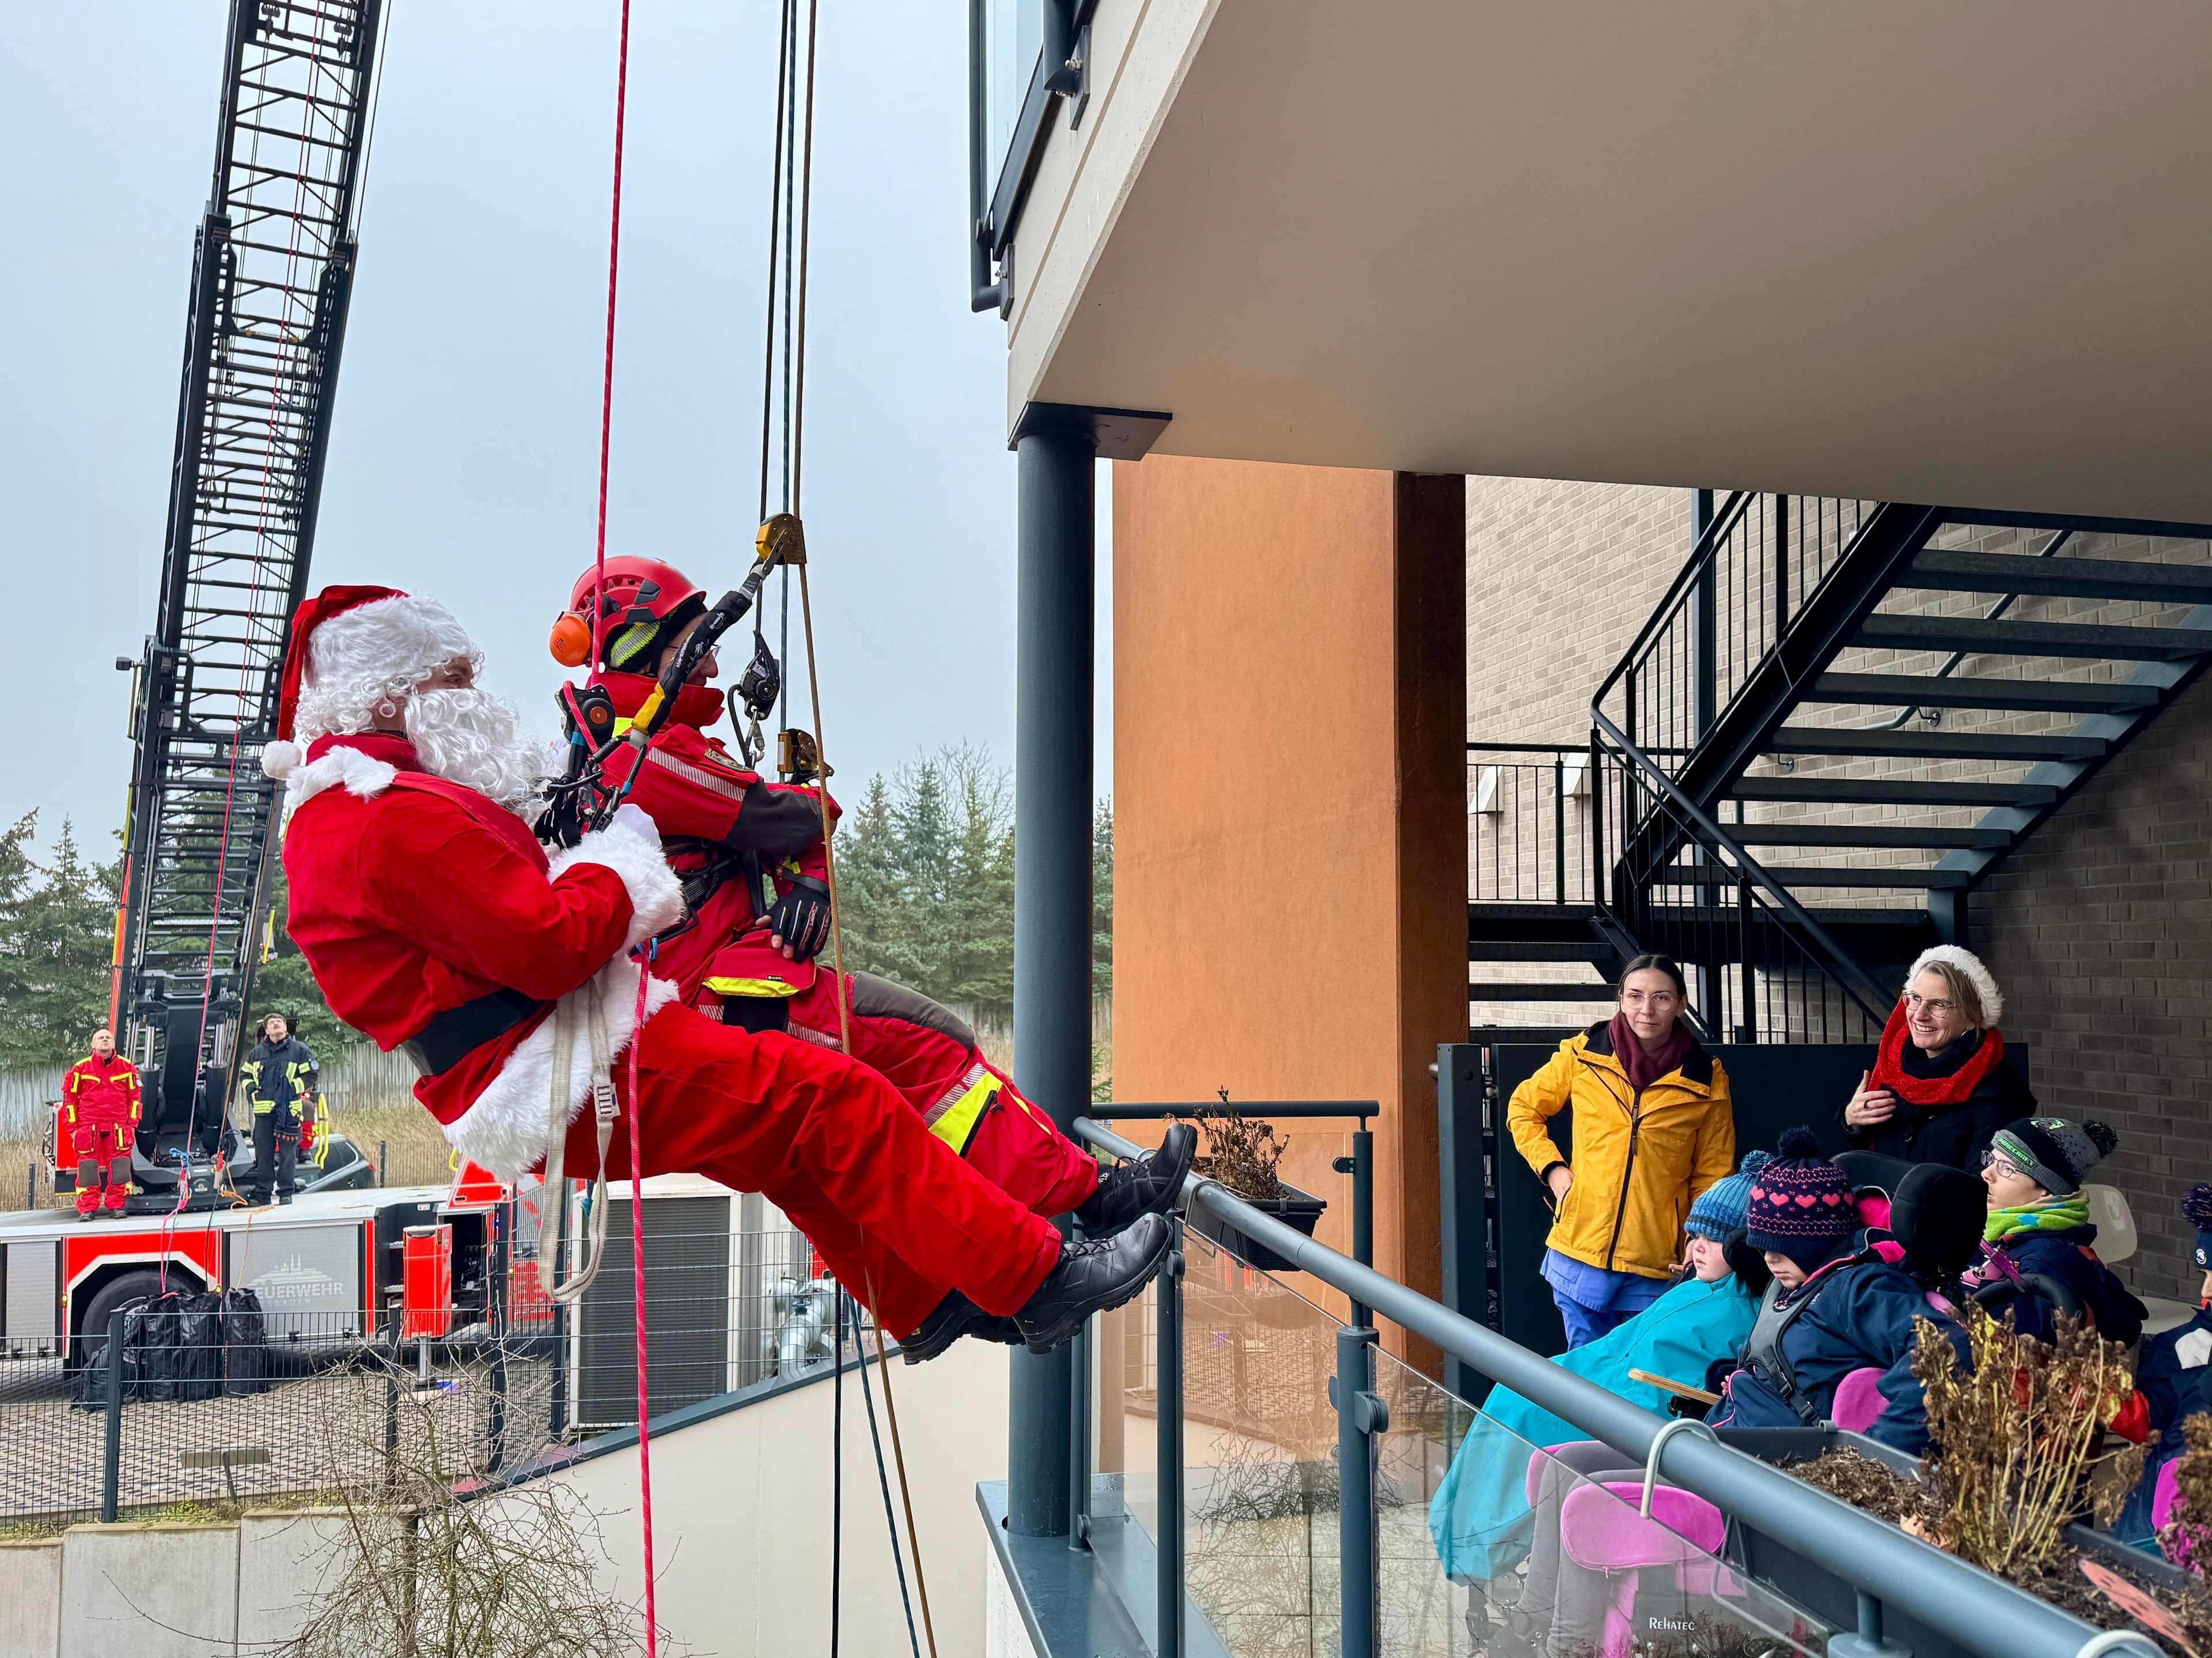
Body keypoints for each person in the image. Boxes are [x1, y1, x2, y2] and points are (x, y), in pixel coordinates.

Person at [262, 584, 1169, 1357]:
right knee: (852, 1091)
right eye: (454, 677)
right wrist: (618, 863)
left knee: (795, 1138)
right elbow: (554, 935)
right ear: (393, 693)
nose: (473, 693)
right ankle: (1040, 1271)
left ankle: (932, 1295)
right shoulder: (389, 814)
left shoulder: (392, 802)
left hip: (571, 1044)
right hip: (567, 1057)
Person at [543, 559, 1195, 1356]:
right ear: (647, 648)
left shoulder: (605, 756)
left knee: (804, 1161)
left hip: (698, 1000)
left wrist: (807, 879)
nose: (712, 662)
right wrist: (804, 840)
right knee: (927, 1045)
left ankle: (927, 1304)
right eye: (695, 643)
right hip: (721, 999)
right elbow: (787, 815)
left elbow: (779, 833)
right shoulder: (645, 757)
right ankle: (1090, 1198)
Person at [1429, 1152, 1771, 1589]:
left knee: (1528, 1422)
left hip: (1635, 1406)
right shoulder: (1697, 1287)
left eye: (1715, 1239)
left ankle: (1473, 1546)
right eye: (1695, 1235)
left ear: (1746, 1248)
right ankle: (1462, 1536)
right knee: (1513, 1395)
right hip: (1602, 1378)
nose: (1698, 1246)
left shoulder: (1744, 1314)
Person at [1506, 954, 1734, 1347]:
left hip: (1656, 1263)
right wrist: (1553, 1169)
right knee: (1583, 1371)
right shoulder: (1584, 1054)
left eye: (1661, 998)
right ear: (1621, 1000)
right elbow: (1524, 1109)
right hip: (1580, 1249)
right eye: (1635, 996)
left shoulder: (1706, 1077)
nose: (1647, 1009)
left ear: (1681, 1004)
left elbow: (1713, 1172)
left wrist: (1698, 1236)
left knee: (1641, 1372)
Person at [1710, 1129, 1972, 1454]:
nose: (1769, 1259)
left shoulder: (1856, 1289)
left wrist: (1878, 1453)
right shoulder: (1794, 1280)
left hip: (1778, 1469)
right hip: (1727, 1444)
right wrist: (1743, 1375)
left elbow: (1945, 1349)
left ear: (1817, 1239)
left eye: (1783, 1246)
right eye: (1762, 1246)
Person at [1838, 945, 2035, 1168]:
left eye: (1939, 1004)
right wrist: (1851, 1121)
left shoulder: (1997, 1095)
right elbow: (1869, 1153)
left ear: (1973, 1018)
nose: (1919, 1015)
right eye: (1915, 998)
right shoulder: (1892, 1067)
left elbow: (1982, 1182)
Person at [1963, 1116, 2145, 1345]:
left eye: (2007, 1169)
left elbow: (2020, 1344)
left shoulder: (2048, 1261)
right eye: (1991, 1159)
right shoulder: (1994, 1233)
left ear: (2047, 1190)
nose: (1987, 1173)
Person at [238, 1012, 321, 1205]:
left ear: (285, 1028)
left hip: (289, 1113)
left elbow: (311, 1075)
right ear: (266, 1030)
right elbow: (245, 1075)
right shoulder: (256, 1053)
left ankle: (286, 1193)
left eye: (279, 1022)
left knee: (287, 1155)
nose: (276, 1024)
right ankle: (263, 1195)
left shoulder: (300, 1051)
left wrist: (292, 1089)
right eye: (272, 1023)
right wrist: (252, 1090)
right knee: (264, 1155)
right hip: (264, 1113)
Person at [62, 1029, 141, 1221]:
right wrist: (73, 1129)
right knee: (87, 1169)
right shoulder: (80, 1069)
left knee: (121, 1168)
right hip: (88, 1126)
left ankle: (117, 1206)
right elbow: (69, 1100)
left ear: (113, 1043)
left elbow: (135, 1099)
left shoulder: (127, 1067)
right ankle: (88, 1209)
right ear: (93, 1045)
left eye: (108, 1038)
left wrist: (131, 1125)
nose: (105, 1040)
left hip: (118, 1126)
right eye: (100, 1038)